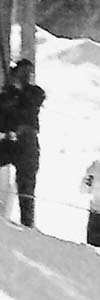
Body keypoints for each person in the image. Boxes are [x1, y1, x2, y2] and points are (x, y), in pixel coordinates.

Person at [0, 59, 46, 227]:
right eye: (22, 72)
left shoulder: (35, 92)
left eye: (28, 73)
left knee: (26, 188)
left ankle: (27, 224)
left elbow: (30, 103)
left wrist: (13, 95)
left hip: (27, 142)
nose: (26, 76)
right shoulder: (7, 95)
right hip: (9, 141)